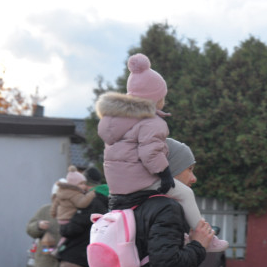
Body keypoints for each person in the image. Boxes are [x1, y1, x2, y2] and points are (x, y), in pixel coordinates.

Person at [95, 54, 228, 252]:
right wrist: (165, 174)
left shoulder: (115, 120)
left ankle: (180, 234)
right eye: (162, 96)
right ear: (155, 98)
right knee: (184, 193)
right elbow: (150, 153)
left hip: (117, 186)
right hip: (138, 181)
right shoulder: (151, 122)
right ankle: (205, 235)